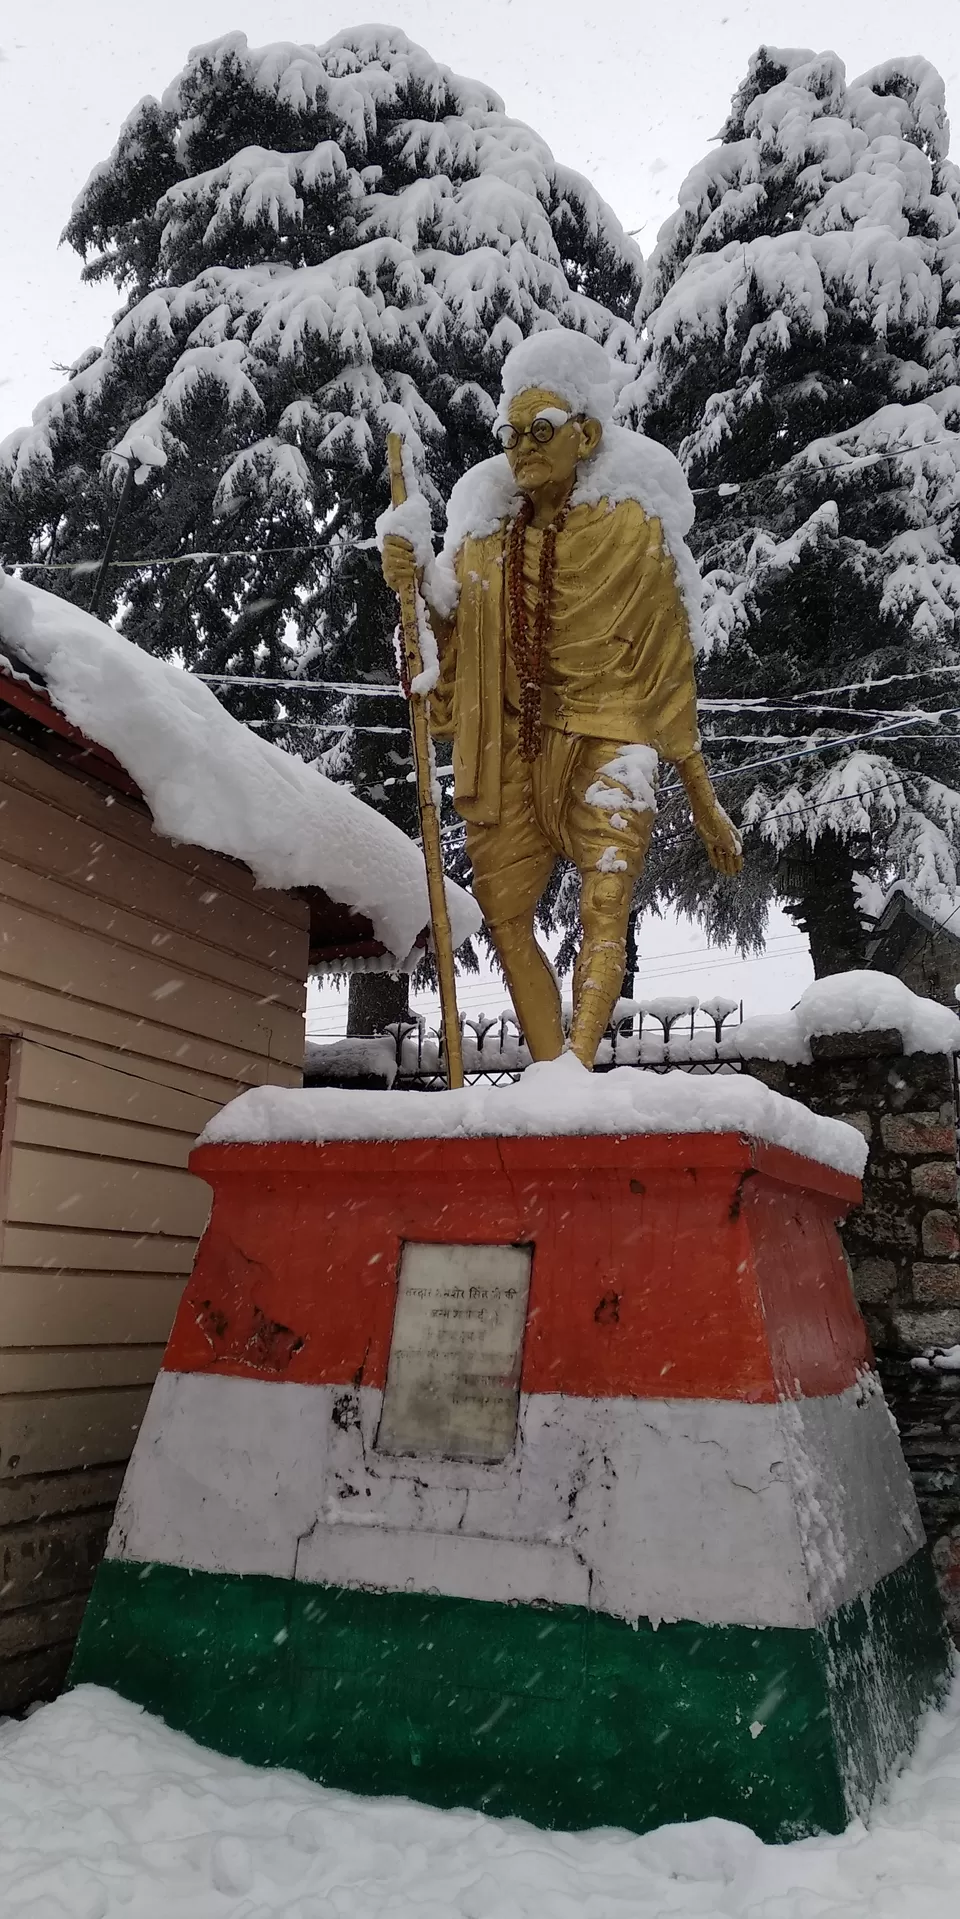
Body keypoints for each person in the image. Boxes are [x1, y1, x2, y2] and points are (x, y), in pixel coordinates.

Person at [381, 332, 742, 1067]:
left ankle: (577, 1070)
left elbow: (669, 671)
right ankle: (552, 1070)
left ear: (587, 434)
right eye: (510, 435)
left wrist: (702, 798)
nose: (522, 449)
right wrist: (414, 579)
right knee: (506, 915)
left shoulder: (630, 526)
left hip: (611, 734)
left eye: (541, 430)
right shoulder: (485, 537)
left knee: (606, 897)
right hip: (513, 741)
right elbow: (454, 632)